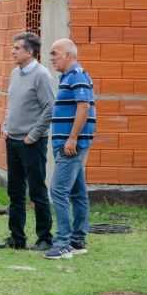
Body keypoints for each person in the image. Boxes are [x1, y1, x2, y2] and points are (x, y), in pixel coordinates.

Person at [0, 32, 55, 251]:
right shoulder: (15, 73)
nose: (13, 51)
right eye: (13, 47)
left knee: (37, 191)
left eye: (17, 48)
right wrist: (5, 125)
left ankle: (45, 238)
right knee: (15, 191)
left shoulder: (42, 75)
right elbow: (13, 103)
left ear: (30, 51)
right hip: (13, 140)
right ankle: (17, 238)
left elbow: (50, 107)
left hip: (32, 142)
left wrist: (34, 134)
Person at [44, 38, 96, 260]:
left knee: (58, 190)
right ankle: (77, 240)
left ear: (68, 54)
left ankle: (63, 243)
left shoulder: (76, 75)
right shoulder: (69, 76)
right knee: (77, 192)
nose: (52, 58)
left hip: (71, 146)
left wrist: (72, 138)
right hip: (68, 144)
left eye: (55, 53)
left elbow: (83, 107)